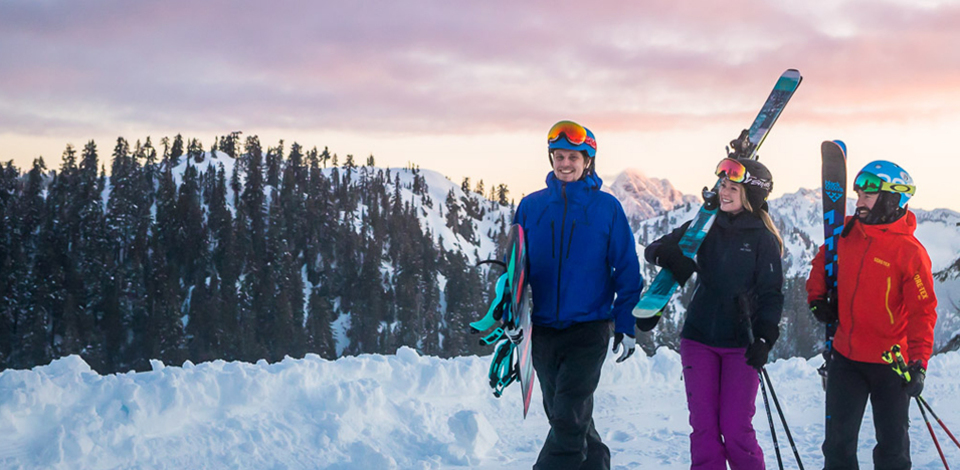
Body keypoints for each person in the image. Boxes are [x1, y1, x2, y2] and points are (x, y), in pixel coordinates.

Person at [513, 120, 642, 470]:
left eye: (573, 156)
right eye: (558, 155)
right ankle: (598, 463)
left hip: (589, 327)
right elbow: (515, 271)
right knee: (564, 414)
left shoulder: (606, 208)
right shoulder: (531, 207)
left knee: (568, 419)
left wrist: (627, 323)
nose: (564, 163)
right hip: (543, 331)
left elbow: (627, 269)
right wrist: (510, 315)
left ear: (588, 161)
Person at [643, 157, 784, 470]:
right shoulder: (705, 225)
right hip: (699, 338)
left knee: (736, 429)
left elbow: (772, 295)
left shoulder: (763, 239)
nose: (724, 192)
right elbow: (653, 248)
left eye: (733, 187)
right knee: (704, 429)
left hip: (742, 345)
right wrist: (671, 256)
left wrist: (765, 338)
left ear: (751, 195)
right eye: (723, 185)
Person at [806, 160, 937, 469]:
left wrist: (919, 363)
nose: (859, 200)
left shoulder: (910, 252)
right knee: (837, 447)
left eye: (869, 194)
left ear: (893, 197)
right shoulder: (848, 232)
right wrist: (816, 298)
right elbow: (821, 262)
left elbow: (923, 311)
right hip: (846, 359)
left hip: (891, 365)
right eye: (858, 193)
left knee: (892, 451)